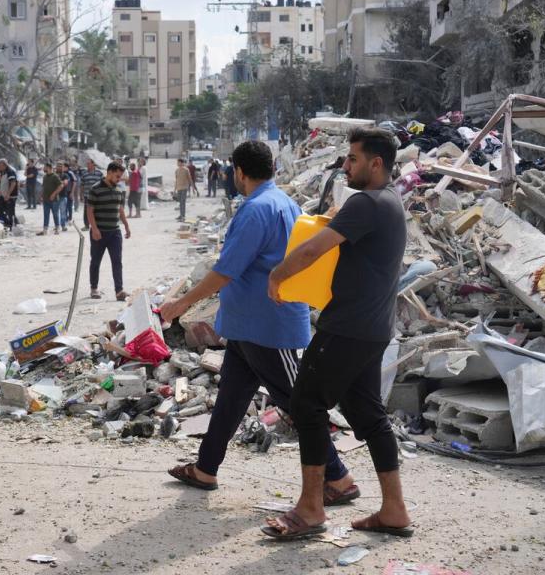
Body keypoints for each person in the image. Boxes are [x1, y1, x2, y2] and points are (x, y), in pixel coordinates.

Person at [161, 141, 357, 501]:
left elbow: (224, 272)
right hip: (249, 326)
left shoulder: (256, 209)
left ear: (238, 172)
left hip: (267, 326)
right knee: (231, 399)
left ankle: (339, 478)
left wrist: (182, 303)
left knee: (299, 402)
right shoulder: (284, 202)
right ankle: (206, 469)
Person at [262, 127, 411, 540]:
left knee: (307, 403)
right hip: (374, 329)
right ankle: (394, 510)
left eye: (353, 159)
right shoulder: (390, 203)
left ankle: (310, 509)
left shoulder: (366, 203)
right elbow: (336, 232)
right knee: (369, 416)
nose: (346, 165)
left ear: (375, 163)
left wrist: (278, 275)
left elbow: (314, 249)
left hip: (346, 328)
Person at [87, 162, 131, 301]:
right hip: (99, 232)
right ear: (110, 172)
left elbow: (121, 209)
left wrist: (126, 226)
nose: (119, 179)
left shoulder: (119, 190)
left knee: (117, 261)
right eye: (117, 176)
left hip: (115, 233)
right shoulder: (95, 189)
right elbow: (89, 210)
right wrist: (94, 229)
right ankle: (94, 288)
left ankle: (119, 291)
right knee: (96, 261)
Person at [79, 158, 103, 231]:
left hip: (97, 196)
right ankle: (86, 226)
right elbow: (82, 185)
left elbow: (103, 184)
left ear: (93, 164)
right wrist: (81, 195)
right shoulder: (84, 174)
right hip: (87, 196)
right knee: (86, 211)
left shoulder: (99, 173)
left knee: (97, 211)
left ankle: (96, 225)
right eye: (87, 164)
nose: (87, 165)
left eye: (89, 163)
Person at [40, 163, 64, 235]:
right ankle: (45, 230)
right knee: (46, 214)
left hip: (54, 200)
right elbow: (43, 187)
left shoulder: (55, 176)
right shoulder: (44, 177)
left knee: (55, 214)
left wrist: (54, 194)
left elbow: (61, 186)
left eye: (45, 167)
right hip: (46, 199)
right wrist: (41, 195)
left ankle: (57, 228)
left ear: (49, 168)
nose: (44, 169)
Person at [0, 159, 19, 228]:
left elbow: (13, 183)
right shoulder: (2, 172)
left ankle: (11, 225)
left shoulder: (10, 172)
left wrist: (8, 194)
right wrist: (0, 191)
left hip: (10, 196)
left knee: (10, 212)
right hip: (3, 195)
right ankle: (7, 222)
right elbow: (2, 183)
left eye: (0, 166)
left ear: (4, 165)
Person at [58, 162, 74, 229]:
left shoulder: (68, 174)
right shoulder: (55, 175)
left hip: (65, 194)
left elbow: (69, 182)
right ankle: (57, 225)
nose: (60, 168)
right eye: (58, 166)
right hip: (56, 196)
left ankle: (65, 223)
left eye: (62, 166)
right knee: (56, 212)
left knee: (65, 210)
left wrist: (72, 192)